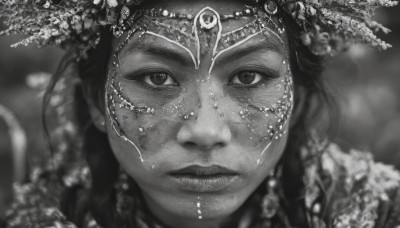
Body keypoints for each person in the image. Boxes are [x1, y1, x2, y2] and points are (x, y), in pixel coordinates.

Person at [1, 0, 399, 227]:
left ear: (298, 94)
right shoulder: (33, 215)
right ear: (94, 99)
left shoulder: (382, 213)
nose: (206, 131)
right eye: (157, 78)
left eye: (249, 75)